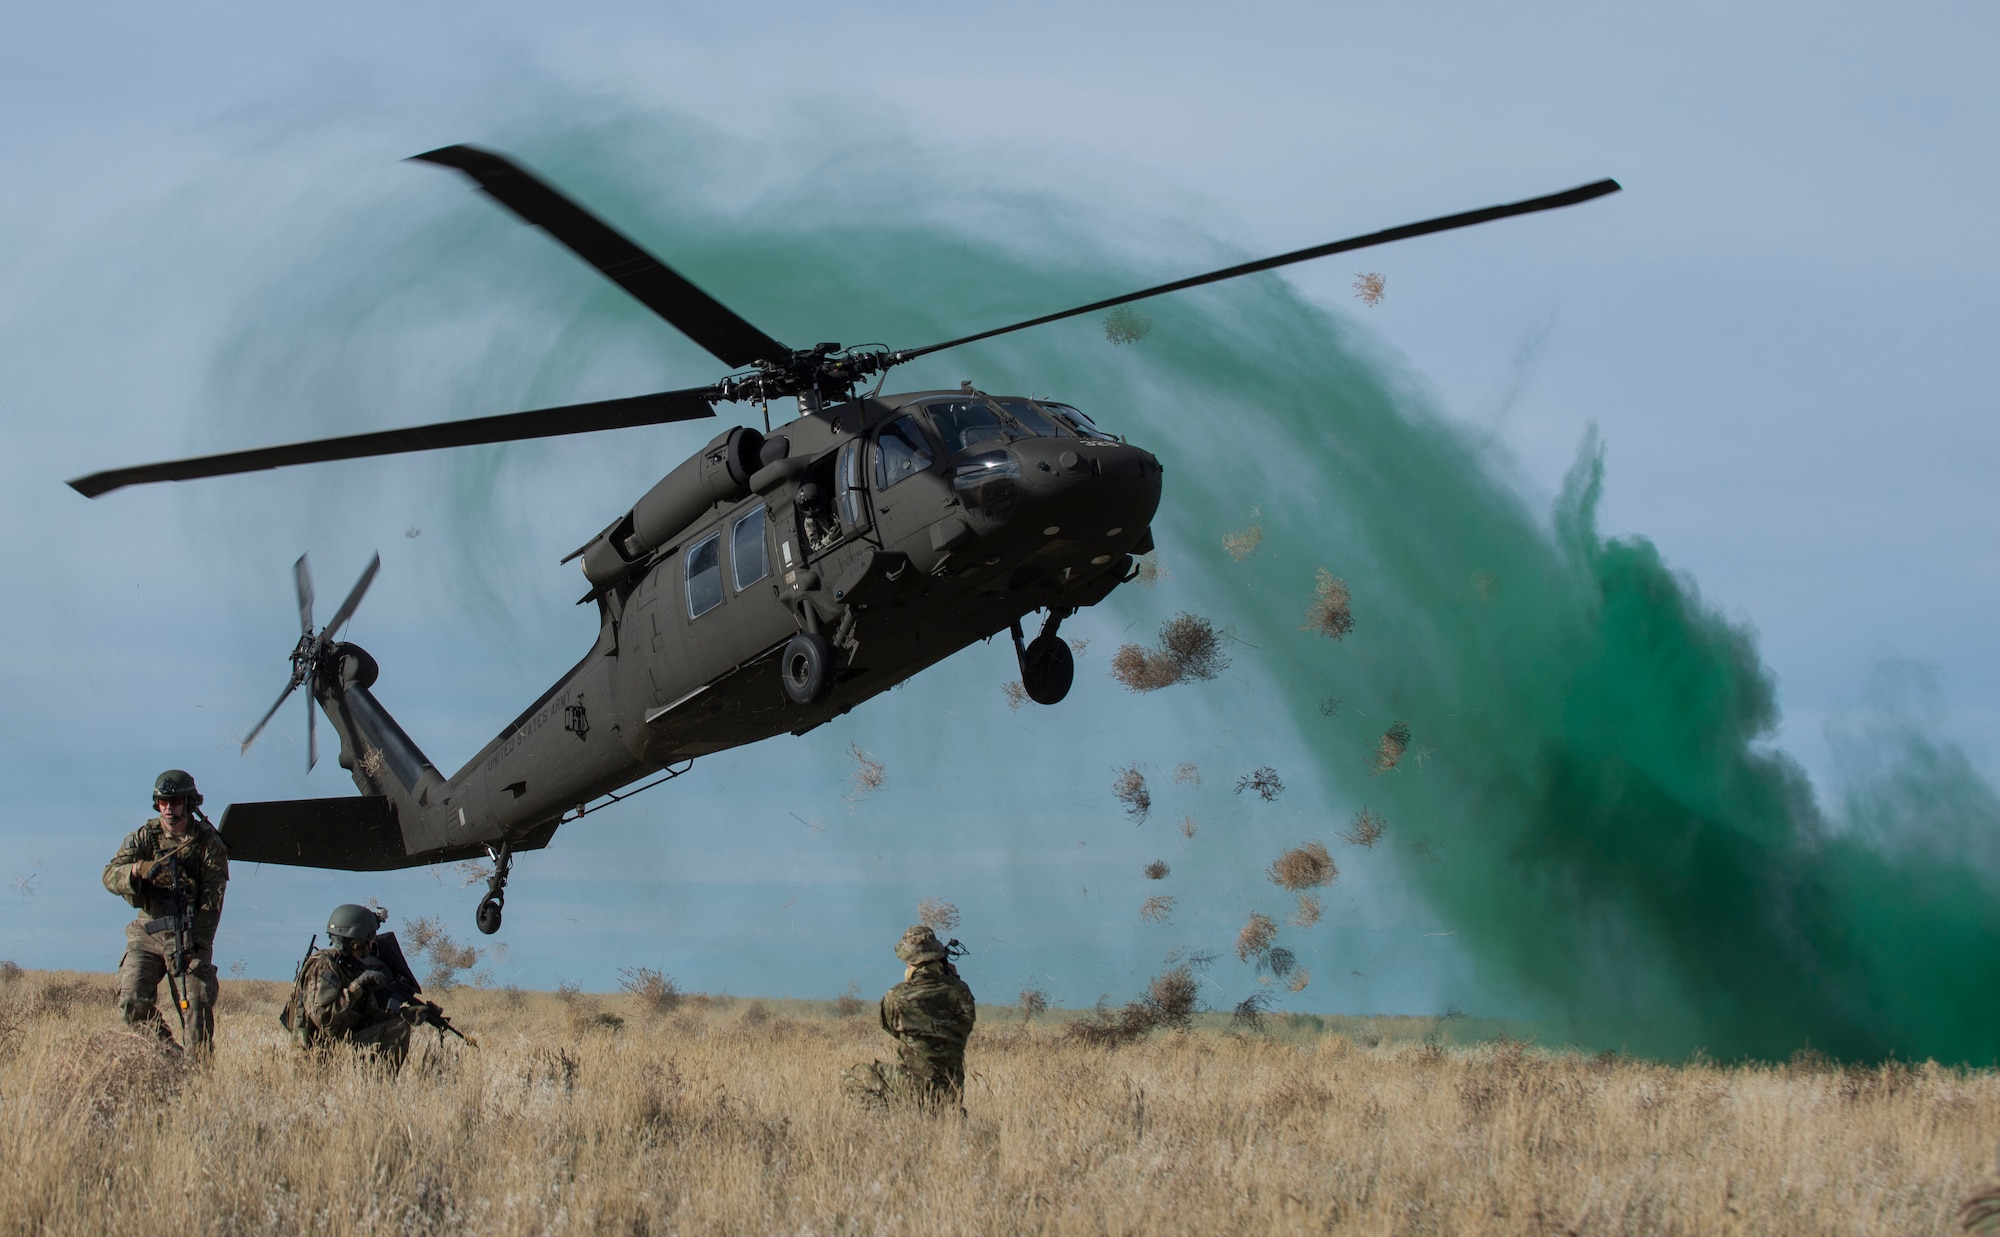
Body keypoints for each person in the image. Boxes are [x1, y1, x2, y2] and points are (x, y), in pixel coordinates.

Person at [102, 769, 229, 1055]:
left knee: (196, 1007)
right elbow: (109, 875)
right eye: (163, 802)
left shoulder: (209, 845)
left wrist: (197, 944)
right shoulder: (145, 837)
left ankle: (198, 1076)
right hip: (148, 932)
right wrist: (138, 870)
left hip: (189, 934)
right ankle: (169, 1056)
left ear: (189, 803)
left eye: (174, 802)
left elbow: (212, 903)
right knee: (131, 999)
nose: (168, 809)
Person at [842, 925, 977, 1112]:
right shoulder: (962, 992)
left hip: (914, 1086)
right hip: (951, 1092)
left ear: (910, 962)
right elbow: (965, 1025)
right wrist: (955, 980)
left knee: (855, 1075)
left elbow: (891, 1028)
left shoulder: (896, 997)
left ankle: (891, 1119)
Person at [288, 903, 415, 1070]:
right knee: (398, 1030)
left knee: (398, 1026)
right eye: (369, 938)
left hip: (336, 1047)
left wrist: (404, 1013)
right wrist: (358, 985)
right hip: (316, 1057)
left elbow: (365, 1018)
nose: (371, 945)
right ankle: (368, 1087)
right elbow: (325, 1020)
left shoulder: (349, 968)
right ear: (355, 942)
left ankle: (370, 1089)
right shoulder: (323, 966)